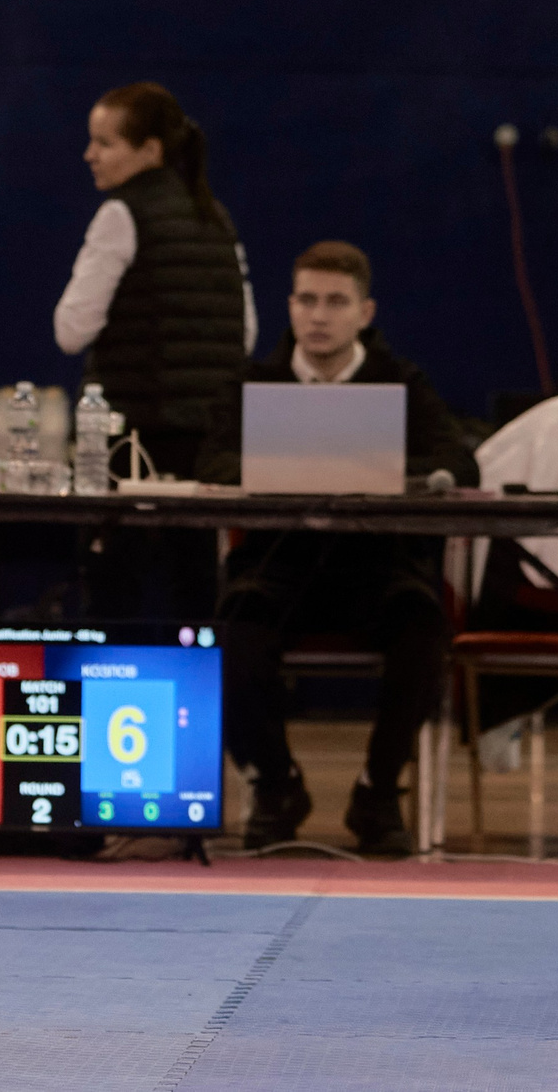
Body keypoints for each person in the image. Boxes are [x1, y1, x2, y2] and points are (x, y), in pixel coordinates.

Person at [216, 241, 478, 856]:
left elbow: (456, 461)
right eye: (307, 299)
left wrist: (382, 469)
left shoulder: (403, 383)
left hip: (379, 568)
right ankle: (276, 786)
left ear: (365, 312)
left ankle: (378, 791)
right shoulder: (256, 383)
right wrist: (279, 467)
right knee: (233, 634)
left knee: (423, 632)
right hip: (279, 565)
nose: (318, 314)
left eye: (336, 301)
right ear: (290, 305)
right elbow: (214, 460)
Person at [52, 82, 255, 481]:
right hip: (211, 445)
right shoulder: (216, 217)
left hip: (132, 445)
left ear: (149, 150)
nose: (89, 155)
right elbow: (244, 334)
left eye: (104, 144)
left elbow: (71, 331)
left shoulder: (120, 215)